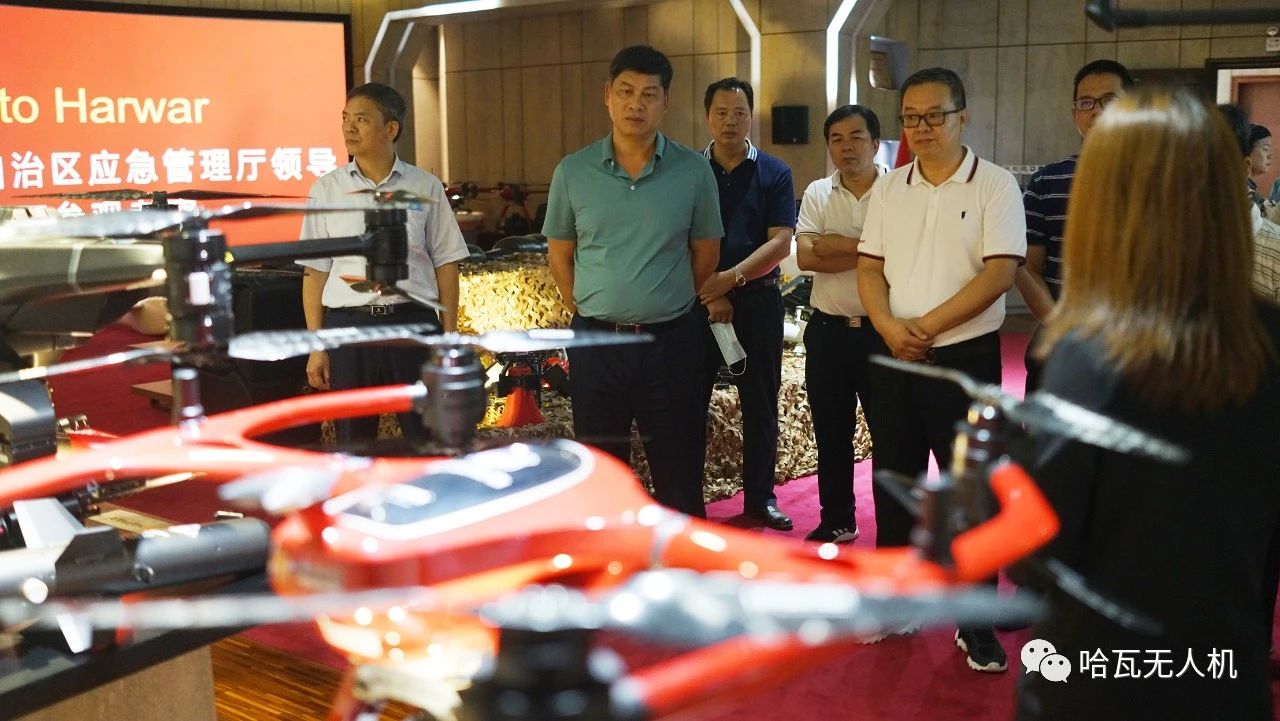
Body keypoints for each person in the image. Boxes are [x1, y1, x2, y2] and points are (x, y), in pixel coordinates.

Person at [1014, 85, 1280, 721]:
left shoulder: (1088, 352)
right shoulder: (1270, 336)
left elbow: (1039, 556)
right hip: (1225, 665)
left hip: (1103, 675)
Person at [856, 67, 1025, 672]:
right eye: (911, 117)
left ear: (962, 116)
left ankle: (973, 622)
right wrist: (888, 327)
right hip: (895, 357)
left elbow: (999, 273)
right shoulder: (890, 188)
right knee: (894, 482)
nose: (922, 128)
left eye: (935, 115)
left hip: (963, 361)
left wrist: (923, 328)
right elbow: (869, 267)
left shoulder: (995, 185)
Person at [543, 45, 722, 518]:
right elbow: (560, 253)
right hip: (597, 344)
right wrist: (586, 305)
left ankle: (681, 561)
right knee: (601, 470)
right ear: (608, 95)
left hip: (671, 342)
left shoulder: (693, 171)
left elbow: (706, 253)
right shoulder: (573, 171)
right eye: (625, 92)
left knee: (679, 472)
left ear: (666, 102)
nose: (635, 104)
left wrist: (664, 297)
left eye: (648, 94)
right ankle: (607, 558)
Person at [297, 82, 467, 444]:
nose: (348, 128)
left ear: (391, 129)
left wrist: (449, 340)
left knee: (428, 438)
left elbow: (447, 264)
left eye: (361, 119)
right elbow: (314, 273)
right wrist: (316, 346)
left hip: (413, 323)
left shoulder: (426, 187)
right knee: (353, 442)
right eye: (345, 118)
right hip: (348, 328)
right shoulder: (326, 189)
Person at [696, 77, 796, 531]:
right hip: (698, 303)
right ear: (707, 117)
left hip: (758, 302)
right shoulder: (689, 171)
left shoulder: (774, 171)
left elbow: (781, 241)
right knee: (689, 405)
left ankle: (760, 499)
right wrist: (712, 292)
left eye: (739, 112)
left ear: (751, 117)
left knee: (760, 405)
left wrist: (732, 279)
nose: (730, 121)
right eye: (721, 112)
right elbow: (677, 237)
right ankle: (688, 497)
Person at [794, 105, 885, 544]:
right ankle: (838, 520)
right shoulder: (817, 191)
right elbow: (807, 257)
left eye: (856, 137)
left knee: (892, 436)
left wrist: (837, 245)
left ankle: (895, 528)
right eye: (837, 139)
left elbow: (901, 256)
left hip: (882, 331)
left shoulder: (897, 190)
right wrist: (873, 251)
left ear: (875, 143)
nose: (846, 147)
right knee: (831, 434)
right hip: (828, 330)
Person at [1018, 60, 1133, 392]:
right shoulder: (1046, 182)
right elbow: (1026, 267)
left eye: (1109, 100)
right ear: (1075, 114)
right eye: (1086, 102)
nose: (1096, 110)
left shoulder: (1159, 178)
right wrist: (1060, 327)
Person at [1247, 123, 1272, 211]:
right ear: (1248, 151)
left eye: (1270, 150)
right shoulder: (1242, 193)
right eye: (1265, 149)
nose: (1270, 155)